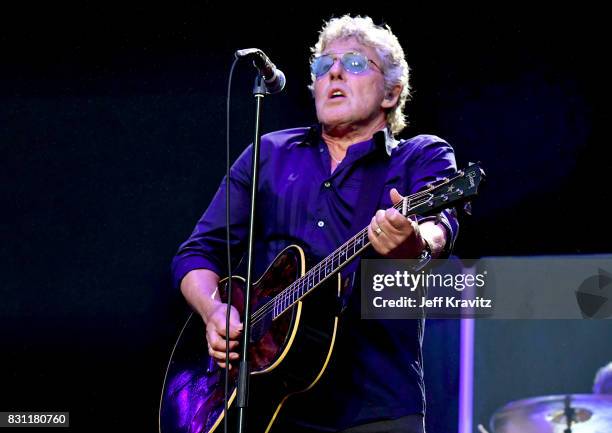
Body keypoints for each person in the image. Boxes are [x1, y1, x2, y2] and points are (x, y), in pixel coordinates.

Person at [171, 14, 458, 433]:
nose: (335, 72)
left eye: (356, 63)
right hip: (270, 405)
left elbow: (439, 227)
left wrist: (413, 241)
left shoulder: (419, 156)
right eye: (324, 66)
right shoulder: (269, 153)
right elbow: (196, 252)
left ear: (392, 93)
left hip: (377, 406)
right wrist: (214, 311)